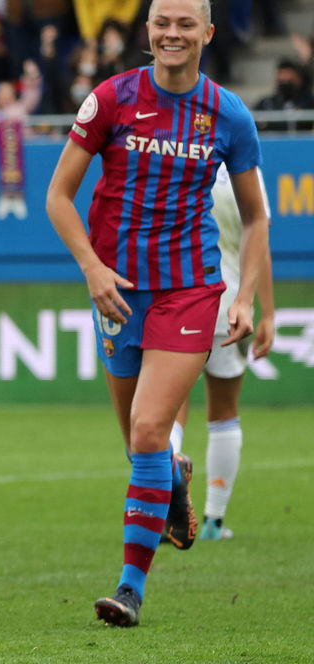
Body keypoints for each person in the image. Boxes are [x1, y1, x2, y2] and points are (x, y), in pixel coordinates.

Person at [45, 0, 270, 627]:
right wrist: (92, 268)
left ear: (207, 33)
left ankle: (129, 589)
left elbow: (256, 218)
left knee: (148, 429)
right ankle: (172, 476)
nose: (173, 33)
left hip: (190, 292)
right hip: (117, 290)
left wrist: (246, 295)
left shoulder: (229, 114)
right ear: (148, 32)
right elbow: (58, 198)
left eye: (185, 24)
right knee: (138, 445)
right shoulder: (111, 99)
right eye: (162, 23)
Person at [168, 165, 274, 541]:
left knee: (167, 408)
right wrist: (268, 313)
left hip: (179, 301)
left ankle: (164, 503)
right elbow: (258, 241)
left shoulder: (180, 154)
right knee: (224, 413)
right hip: (231, 303)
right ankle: (212, 520)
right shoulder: (246, 168)